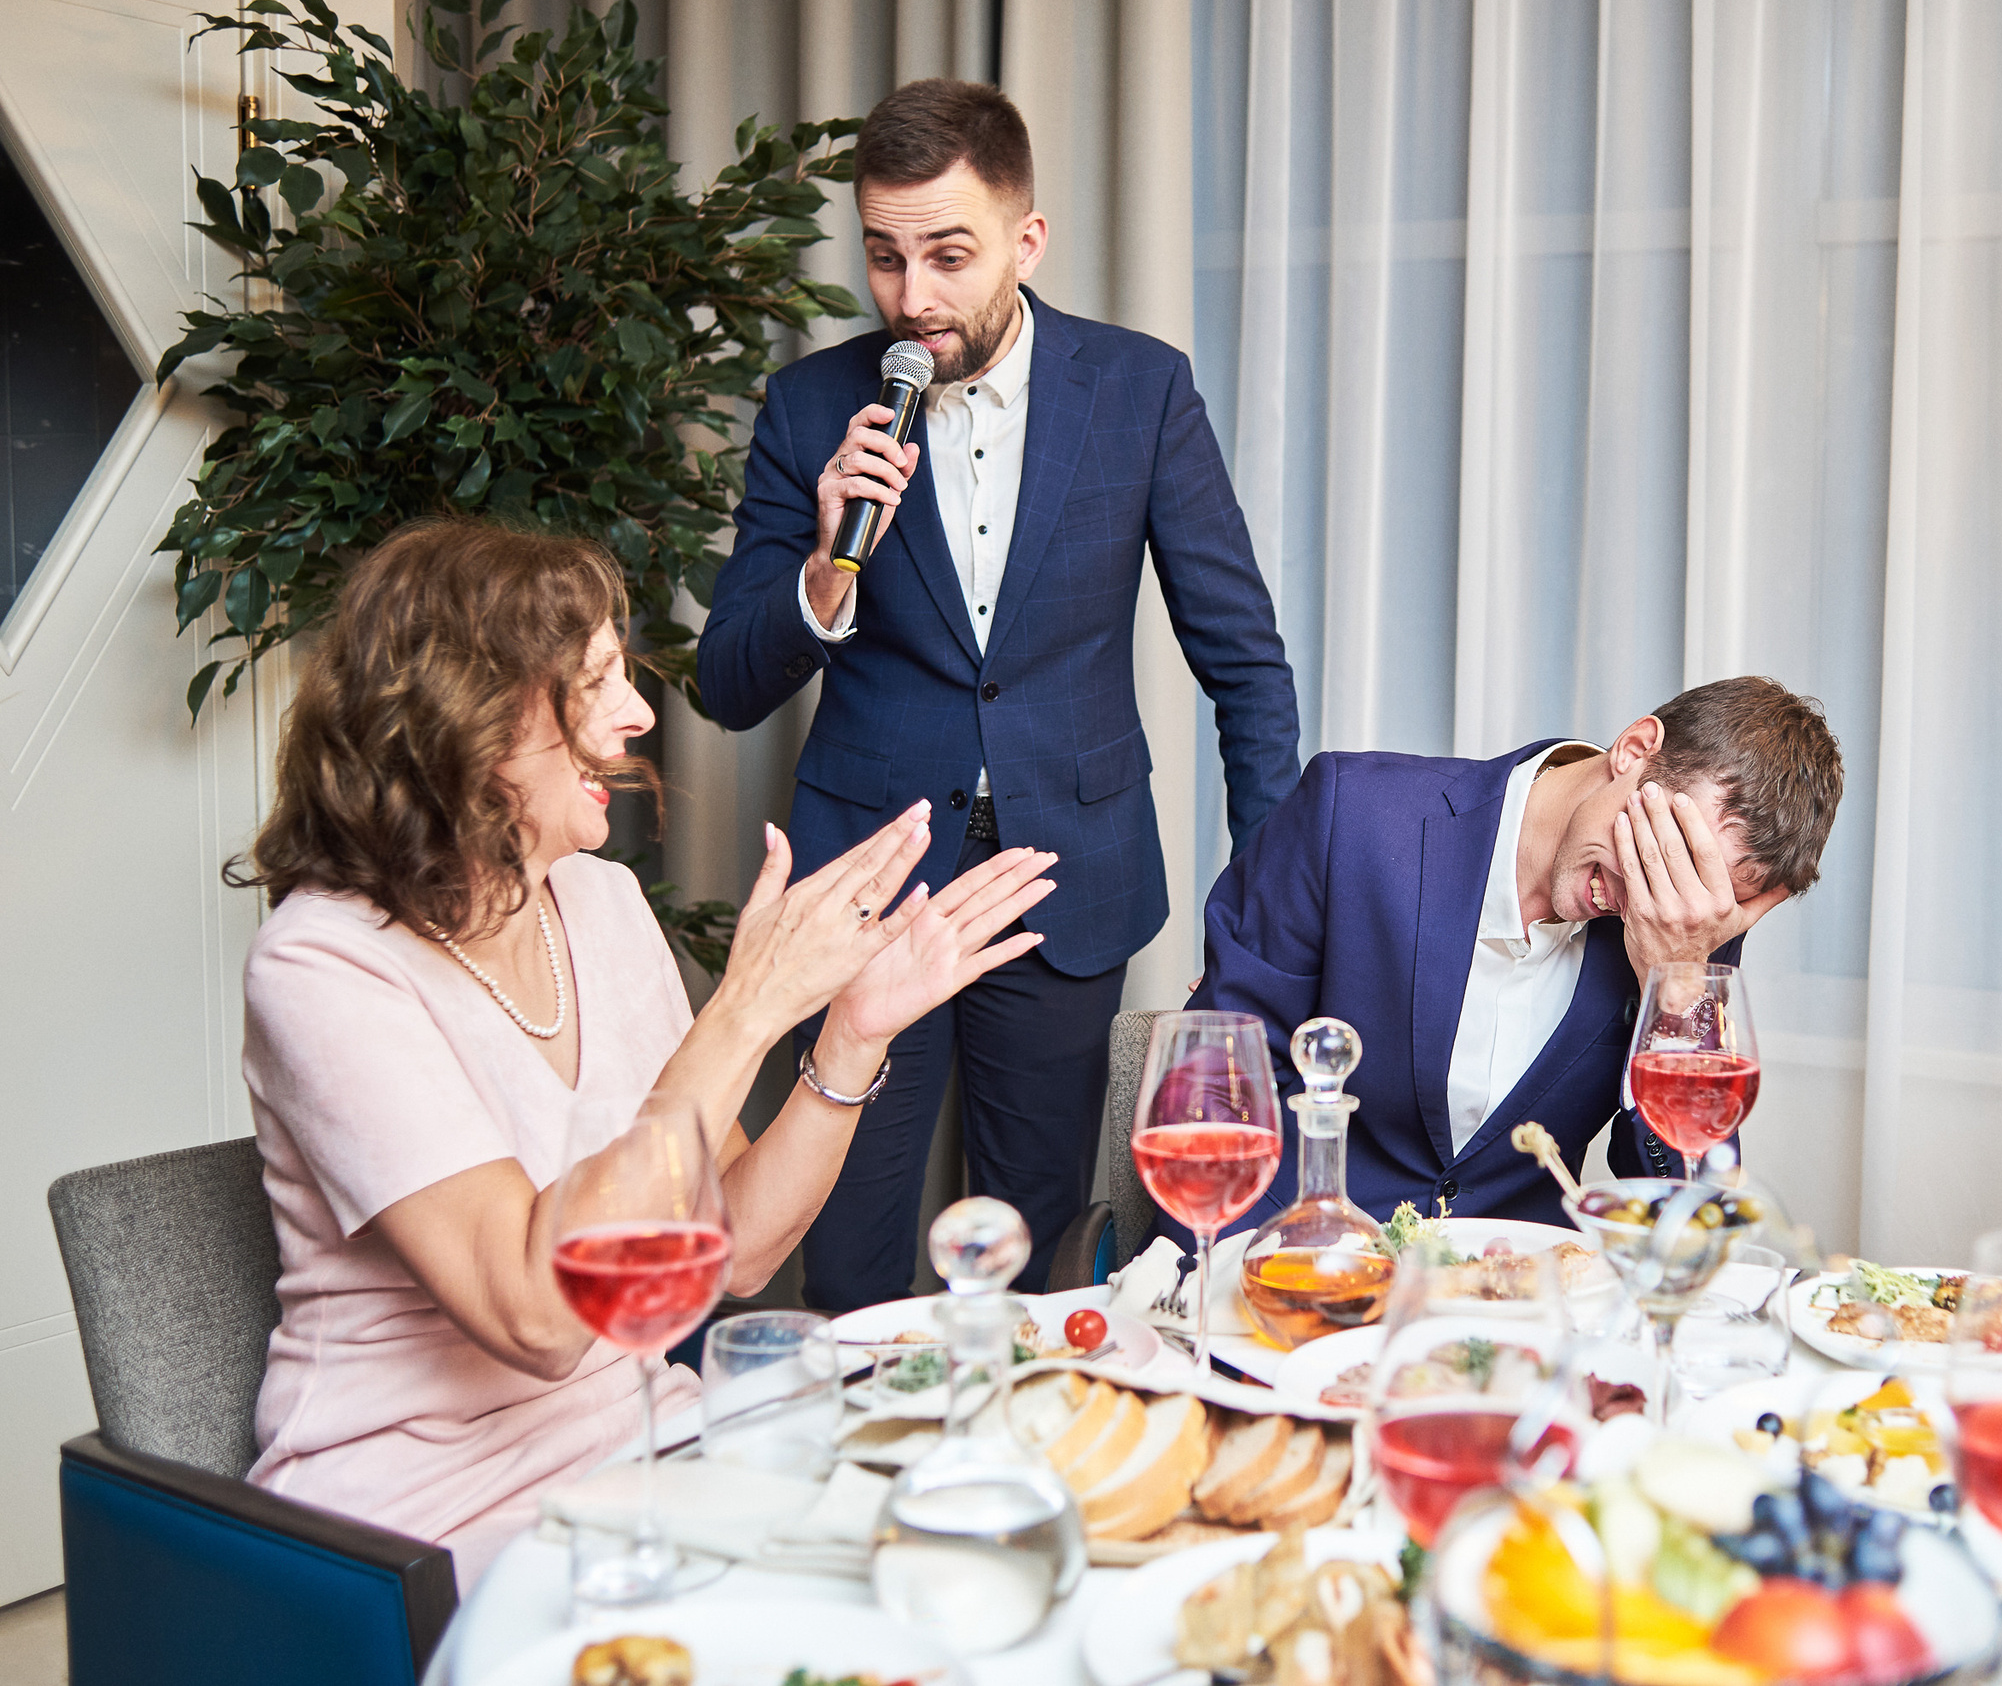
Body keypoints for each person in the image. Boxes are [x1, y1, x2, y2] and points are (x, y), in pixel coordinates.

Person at [236, 521, 1057, 1584]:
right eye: (597, 680)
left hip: (647, 1447)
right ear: (473, 718)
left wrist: (853, 1032)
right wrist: (743, 1010)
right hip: (418, 1523)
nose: (635, 714)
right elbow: (535, 1314)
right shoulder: (322, 965)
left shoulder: (601, 900)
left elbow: (740, 1248)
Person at [698, 78, 1299, 1310]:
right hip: (866, 888)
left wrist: (1273, 916)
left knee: (1026, 1247)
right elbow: (723, 683)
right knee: (851, 1248)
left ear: (1027, 240)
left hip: (1065, 876)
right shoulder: (811, 405)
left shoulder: (1140, 390)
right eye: (884, 256)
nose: (912, 298)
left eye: (948, 255)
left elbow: (1242, 660)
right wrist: (822, 572)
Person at [1190, 678, 1845, 1233]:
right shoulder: (1352, 812)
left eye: (1692, 884)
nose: (1657, 895)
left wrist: (1673, 994)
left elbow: (1685, 1218)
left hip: (1519, 1326)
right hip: (1302, 1279)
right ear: (1635, 749)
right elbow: (1211, 1092)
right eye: (1661, 848)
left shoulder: (1684, 928)